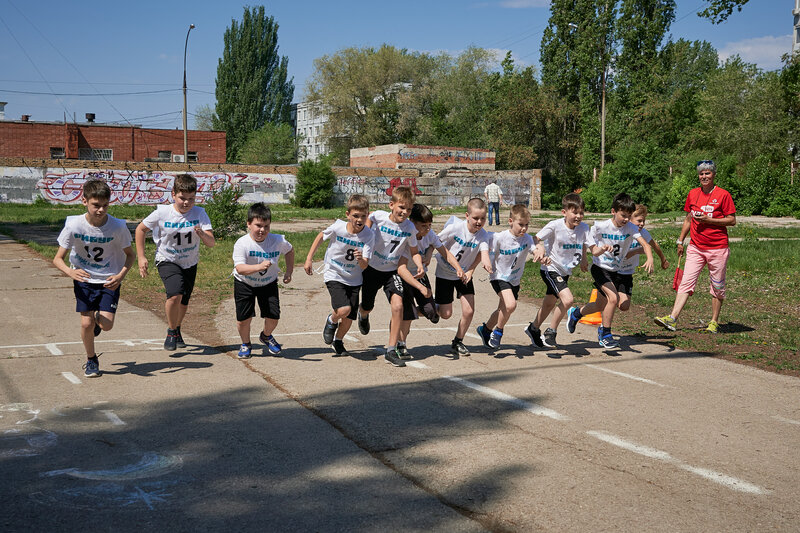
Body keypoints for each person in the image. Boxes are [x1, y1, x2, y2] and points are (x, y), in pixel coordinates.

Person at [53, 179, 134, 377]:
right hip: (84, 279)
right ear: (84, 202)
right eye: (96, 205)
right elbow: (57, 259)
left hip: (108, 280)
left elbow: (130, 255)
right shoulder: (74, 225)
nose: (100, 210)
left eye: (105, 205)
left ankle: (97, 323)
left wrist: (120, 276)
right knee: (85, 323)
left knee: (106, 325)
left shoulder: (117, 226)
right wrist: (71, 272)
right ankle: (91, 359)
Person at [135, 174, 215, 351]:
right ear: (173, 194)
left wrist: (201, 233)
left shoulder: (200, 213)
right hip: (167, 259)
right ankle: (171, 331)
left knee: (184, 301)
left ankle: (177, 328)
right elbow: (140, 229)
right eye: (182, 198)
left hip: (189, 262)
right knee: (175, 294)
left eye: (191, 199)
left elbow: (211, 242)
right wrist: (141, 257)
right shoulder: (162, 213)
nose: (186, 203)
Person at [655, 160, 736, 333]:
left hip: (717, 248)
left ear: (713, 174)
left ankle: (714, 322)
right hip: (696, 247)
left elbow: (732, 220)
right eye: (701, 174)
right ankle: (672, 318)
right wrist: (680, 240)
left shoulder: (723, 195)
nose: (704, 176)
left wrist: (709, 220)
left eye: (707, 173)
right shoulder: (693, 194)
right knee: (686, 282)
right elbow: (688, 218)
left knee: (717, 286)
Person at [566, 193, 654, 350]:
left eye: (628, 216)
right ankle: (605, 334)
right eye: (623, 215)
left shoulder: (631, 228)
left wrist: (650, 258)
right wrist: (584, 259)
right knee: (613, 299)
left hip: (616, 270)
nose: (626, 219)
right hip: (600, 268)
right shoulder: (601, 226)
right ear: (613, 211)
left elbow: (646, 245)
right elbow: (587, 241)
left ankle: (576, 313)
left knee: (600, 305)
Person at [356, 186, 424, 368]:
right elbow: (365, 225)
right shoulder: (378, 217)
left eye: (409, 209)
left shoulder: (409, 228)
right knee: (368, 306)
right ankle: (363, 314)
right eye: (402, 207)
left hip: (391, 272)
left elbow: (414, 251)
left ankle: (391, 349)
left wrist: (418, 263)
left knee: (398, 305)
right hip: (371, 269)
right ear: (391, 205)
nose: (405, 212)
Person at [524, 193, 599, 349]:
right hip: (550, 268)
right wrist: (541, 249)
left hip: (565, 271)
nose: (579, 216)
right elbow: (535, 238)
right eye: (575, 212)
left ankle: (533, 328)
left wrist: (585, 257)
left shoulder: (584, 228)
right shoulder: (555, 225)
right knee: (568, 300)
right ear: (564, 212)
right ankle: (551, 332)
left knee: (550, 302)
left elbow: (585, 243)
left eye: (581, 213)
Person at [304, 194, 374, 357]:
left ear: (367, 216)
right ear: (347, 215)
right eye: (355, 215)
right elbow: (321, 236)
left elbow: (365, 264)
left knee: (349, 318)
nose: (359, 219)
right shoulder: (338, 227)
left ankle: (338, 341)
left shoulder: (369, 235)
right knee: (343, 309)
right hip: (334, 272)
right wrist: (309, 259)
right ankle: (331, 320)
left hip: (354, 278)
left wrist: (360, 259)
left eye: (363, 216)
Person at [395, 203, 463, 359]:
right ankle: (401, 344)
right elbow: (401, 268)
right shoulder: (407, 237)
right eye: (423, 225)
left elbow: (445, 252)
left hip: (420, 276)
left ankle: (408, 314)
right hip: (405, 277)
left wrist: (458, 267)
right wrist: (419, 286)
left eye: (429, 225)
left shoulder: (429, 235)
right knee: (408, 314)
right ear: (412, 223)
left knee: (431, 312)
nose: (427, 229)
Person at [231, 203, 294, 358]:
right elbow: (240, 268)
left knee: (273, 317)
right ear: (249, 224)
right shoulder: (242, 243)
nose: (262, 230)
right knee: (243, 319)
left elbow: (290, 250)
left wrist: (289, 272)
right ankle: (245, 344)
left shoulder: (277, 240)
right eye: (258, 225)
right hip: (244, 283)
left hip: (268, 283)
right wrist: (259, 266)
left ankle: (266, 336)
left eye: (266, 226)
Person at [435, 198, 493, 357]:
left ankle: (458, 342)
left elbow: (483, 252)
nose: (479, 222)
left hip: (464, 274)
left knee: (469, 310)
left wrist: (472, 270)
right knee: (445, 314)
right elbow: (435, 241)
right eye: (475, 218)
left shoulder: (483, 235)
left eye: (482, 218)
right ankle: (431, 306)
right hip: (444, 273)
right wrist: (426, 256)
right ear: (467, 215)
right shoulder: (455, 228)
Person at [476, 204, 534, 349]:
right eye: (520, 224)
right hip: (499, 276)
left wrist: (540, 253)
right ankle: (498, 331)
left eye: (527, 225)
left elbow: (535, 247)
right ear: (510, 221)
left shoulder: (527, 238)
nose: (524, 228)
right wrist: (486, 259)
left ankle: (485, 330)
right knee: (510, 305)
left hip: (514, 279)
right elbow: (481, 237)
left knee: (503, 309)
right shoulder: (499, 237)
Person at [619, 204, 669, 306]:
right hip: (613, 270)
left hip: (627, 271)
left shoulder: (644, 233)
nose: (642, 224)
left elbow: (654, 246)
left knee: (624, 306)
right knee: (611, 300)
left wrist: (663, 260)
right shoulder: (622, 232)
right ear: (629, 220)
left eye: (643, 221)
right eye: (639, 221)